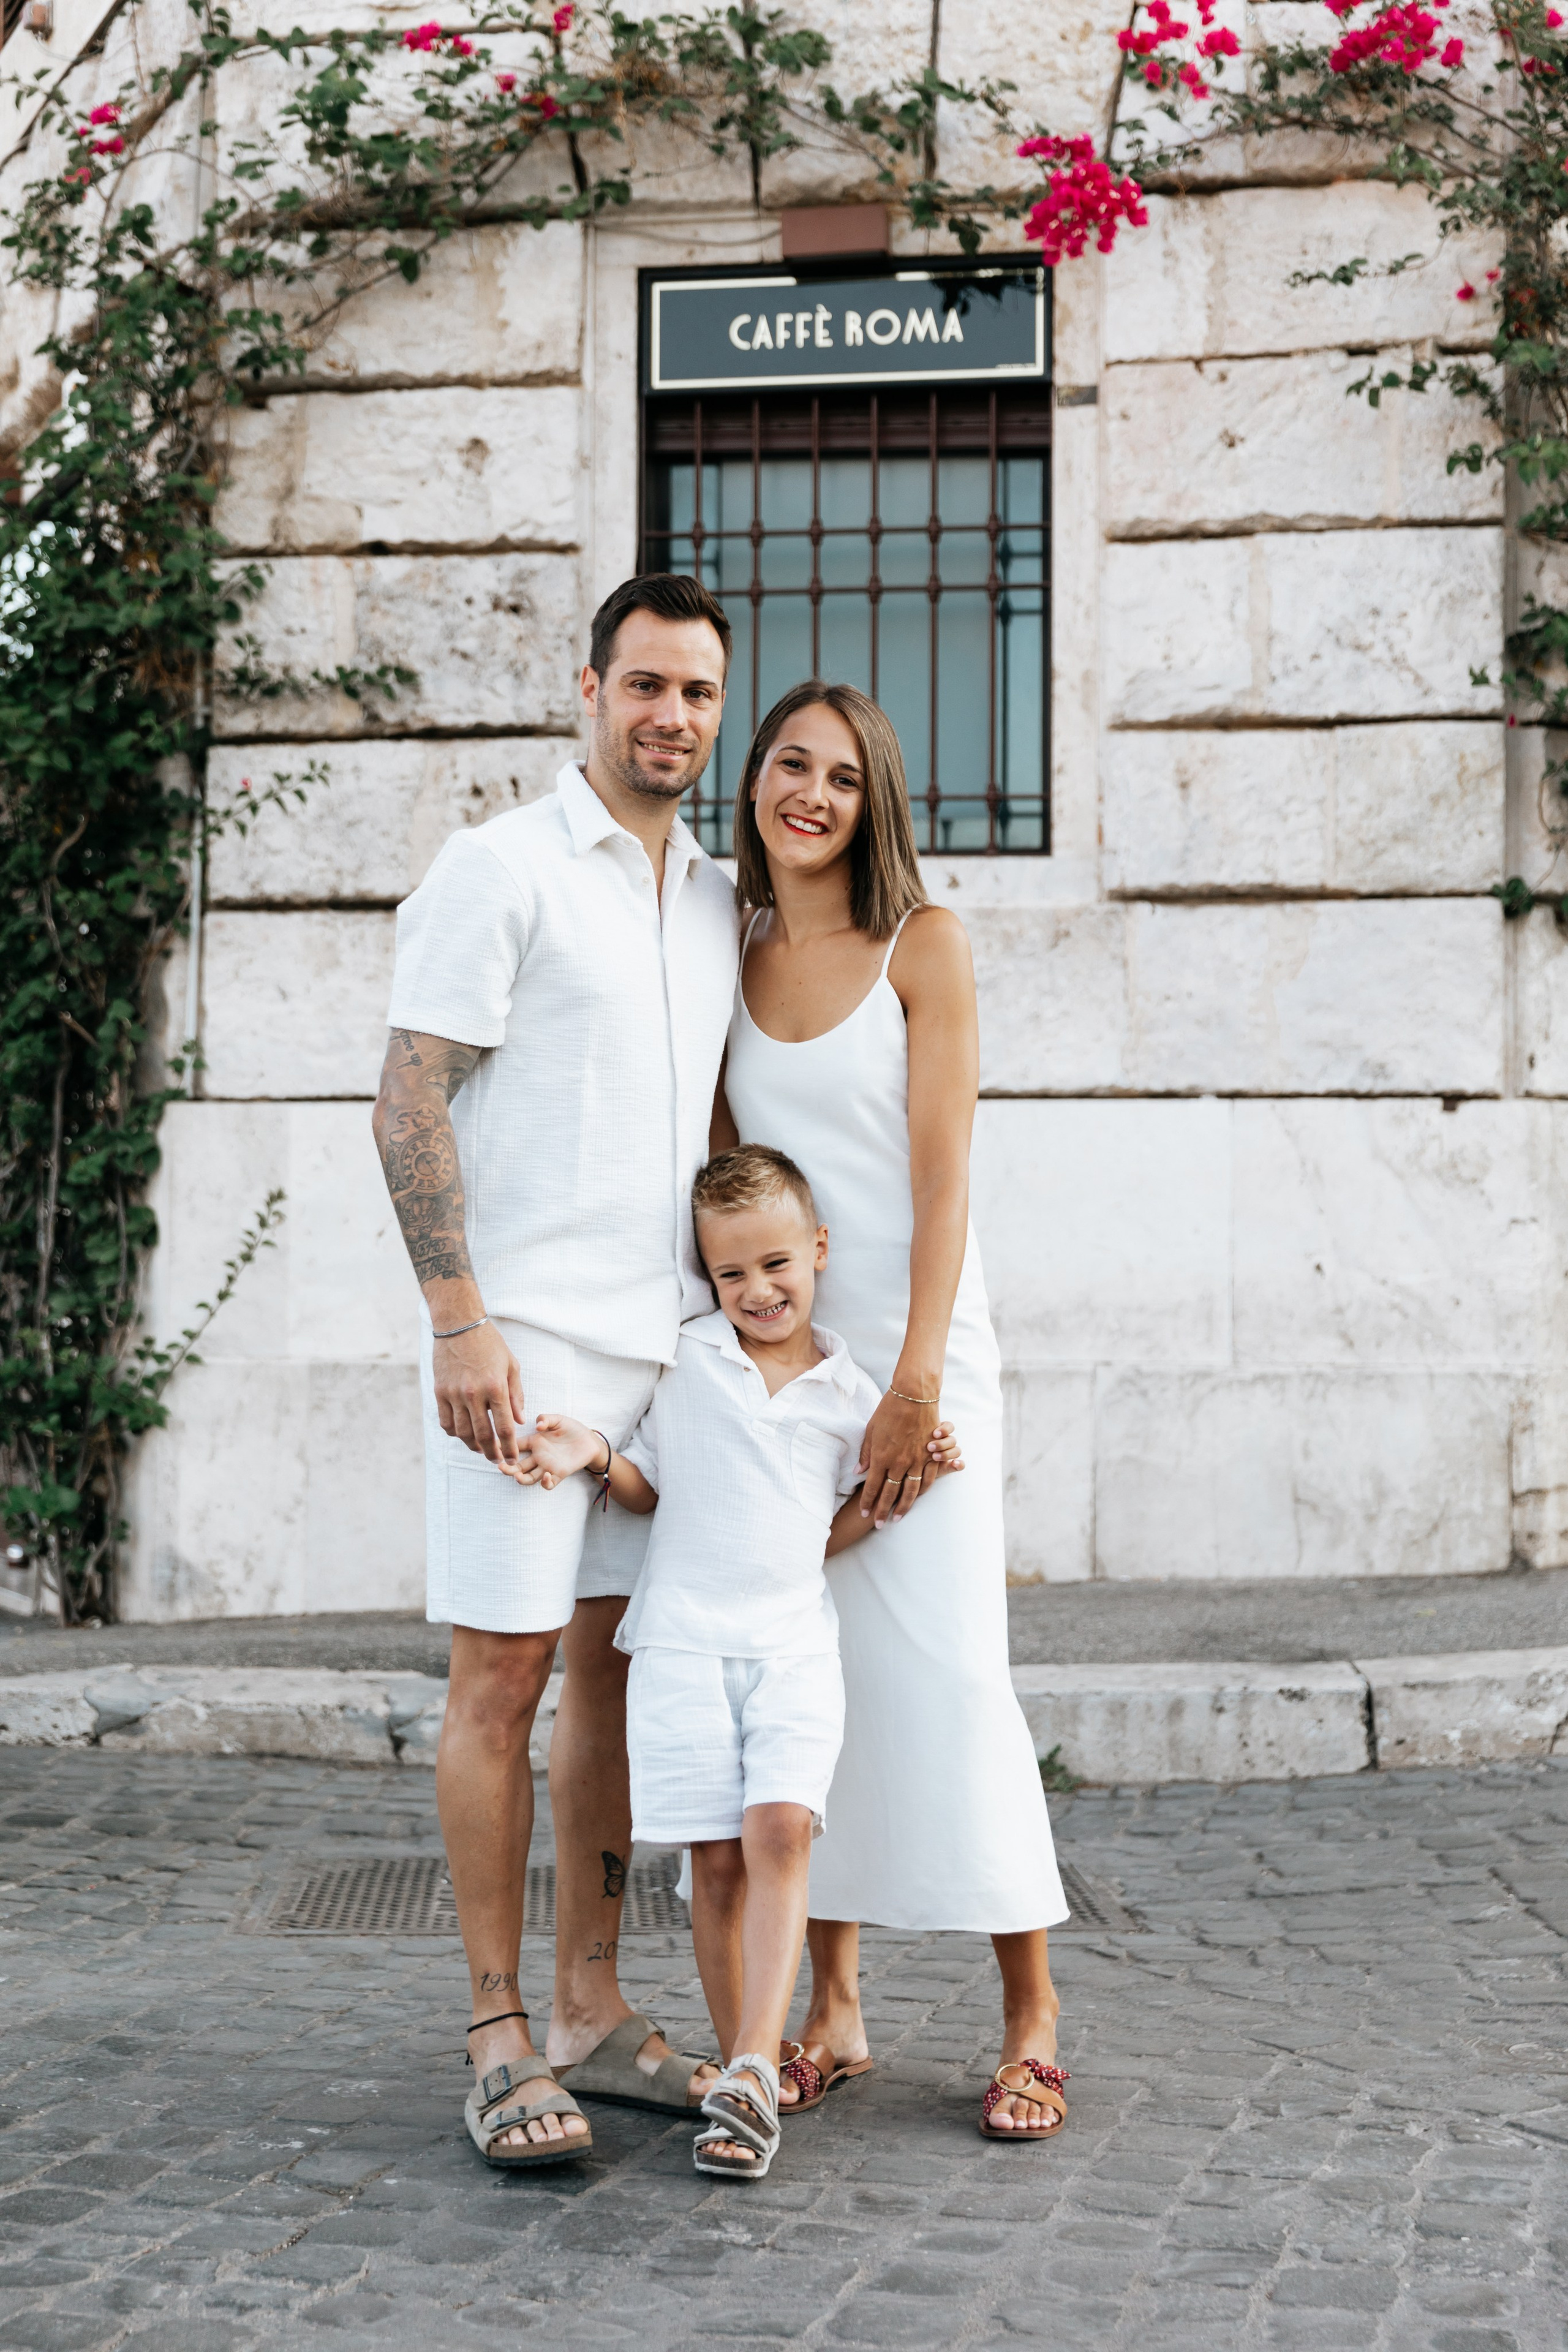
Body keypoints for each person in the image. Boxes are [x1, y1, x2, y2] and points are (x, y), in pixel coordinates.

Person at [371, 573, 739, 2167]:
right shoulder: (501, 867)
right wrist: (460, 1320)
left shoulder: (719, 897)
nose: (672, 716)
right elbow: (408, 1102)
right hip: (515, 1354)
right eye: (646, 684)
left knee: (612, 1681)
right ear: (587, 689)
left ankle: (592, 2006)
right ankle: (497, 2028)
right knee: (500, 1680)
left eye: (699, 695)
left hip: (663, 1356)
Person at [714, 680, 1072, 2142]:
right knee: (815, 1689)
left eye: (842, 778)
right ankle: (835, 2014)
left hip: (921, 1360)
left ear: (876, 806)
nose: (810, 794)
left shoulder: (924, 947)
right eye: (789, 765)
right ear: (754, 783)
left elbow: (941, 1187)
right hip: (791, 1374)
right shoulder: (726, 959)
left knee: (946, 1673)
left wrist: (915, 1386)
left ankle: (1031, 2013)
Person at [506, 1145, 962, 2179]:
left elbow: (827, 1532)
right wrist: (594, 1456)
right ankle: (742, 2082)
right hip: (680, 1645)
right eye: (730, 1274)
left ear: (818, 1251)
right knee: (714, 1858)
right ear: (708, 1281)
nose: (757, 1291)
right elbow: (651, 1488)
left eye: (775, 1265)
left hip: (794, 1643)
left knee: (782, 1829)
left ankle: (757, 2063)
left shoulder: (852, 1393)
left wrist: (908, 1485)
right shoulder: (687, 1362)